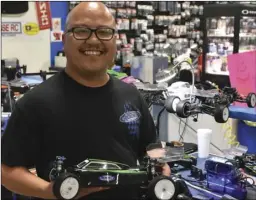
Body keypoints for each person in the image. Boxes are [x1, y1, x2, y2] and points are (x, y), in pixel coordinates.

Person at [1, 2, 170, 200]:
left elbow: (151, 148)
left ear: (115, 40)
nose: (93, 40)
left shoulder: (132, 96)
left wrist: (162, 167)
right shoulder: (35, 103)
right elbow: (6, 171)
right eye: (81, 31)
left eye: (104, 32)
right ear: (64, 40)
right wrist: (50, 192)